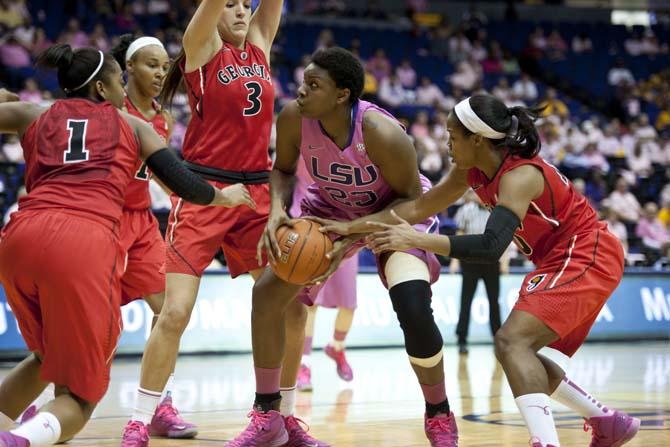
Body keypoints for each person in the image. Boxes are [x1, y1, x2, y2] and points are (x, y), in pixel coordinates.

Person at [330, 94, 640, 447]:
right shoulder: (472, 170)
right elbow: (422, 205)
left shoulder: (520, 176)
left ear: (477, 139)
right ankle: (607, 421)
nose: (447, 144)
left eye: (452, 136)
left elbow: (491, 247)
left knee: (511, 342)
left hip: (587, 252)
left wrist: (418, 240)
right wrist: (351, 227)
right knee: (519, 349)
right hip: (560, 257)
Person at [0, 45, 253, 447]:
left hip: (19, 237)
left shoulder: (35, 112)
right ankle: (18, 440)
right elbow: (184, 184)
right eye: (119, 81)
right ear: (101, 87)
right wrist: (225, 198)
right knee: (80, 399)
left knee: (46, 356)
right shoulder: (132, 126)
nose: (123, 89)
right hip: (83, 240)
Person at [119, 1, 326, 446]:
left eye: (242, 5)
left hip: (255, 195)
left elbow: (269, 6)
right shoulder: (202, 48)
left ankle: (281, 419)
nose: (237, 11)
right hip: (204, 191)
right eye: (228, 4)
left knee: (292, 305)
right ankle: (139, 418)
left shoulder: (258, 45)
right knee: (173, 313)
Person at [238, 47, 458, 447]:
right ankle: (269, 416)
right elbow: (283, 171)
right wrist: (276, 211)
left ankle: (439, 413)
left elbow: (410, 201)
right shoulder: (292, 117)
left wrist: (355, 232)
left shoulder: (380, 132)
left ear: (342, 95)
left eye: (313, 85)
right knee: (268, 294)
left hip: (395, 213)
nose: (301, 91)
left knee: (412, 306)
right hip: (331, 210)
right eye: (304, 82)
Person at [110, 34, 197, 438]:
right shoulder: (109, 108)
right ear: (128, 68)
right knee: (94, 320)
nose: (161, 72)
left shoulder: (165, 116)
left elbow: (164, 175)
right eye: (151, 64)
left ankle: (160, 405)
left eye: (165, 66)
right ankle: (57, 402)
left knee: (169, 312)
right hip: (104, 220)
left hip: (143, 222)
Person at [290, 158, 358, 391]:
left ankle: (337, 347)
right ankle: (303, 363)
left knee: (349, 303)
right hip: (308, 226)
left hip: (346, 227)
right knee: (310, 302)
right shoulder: (300, 136)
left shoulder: (350, 142)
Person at [449, 189, 505, 354]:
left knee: (494, 302)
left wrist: (505, 261)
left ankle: (498, 339)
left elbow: (505, 238)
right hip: (470, 261)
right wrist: (454, 260)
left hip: (491, 261)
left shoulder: (497, 212)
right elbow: (459, 235)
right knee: (466, 301)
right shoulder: (466, 209)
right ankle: (461, 339)